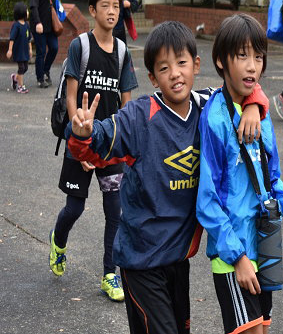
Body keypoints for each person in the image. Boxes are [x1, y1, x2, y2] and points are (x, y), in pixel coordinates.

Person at [65, 20, 269, 333]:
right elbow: (98, 144)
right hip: (141, 261)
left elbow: (245, 85)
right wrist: (83, 133)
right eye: (164, 67)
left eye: (181, 63)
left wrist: (254, 106)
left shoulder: (209, 108)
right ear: (152, 77)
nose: (175, 73)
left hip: (177, 259)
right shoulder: (140, 116)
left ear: (196, 65)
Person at [197, 14, 283, 334]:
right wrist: (237, 257)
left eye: (258, 57)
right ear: (221, 61)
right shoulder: (215, 118)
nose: (252, 66)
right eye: (242, 56)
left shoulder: (261, 114)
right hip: (233, 252)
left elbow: (271, 178)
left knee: (263, 328)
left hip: (264, 244)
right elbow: (207, 200)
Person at [48, 0, 139, 302]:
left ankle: (110, 274)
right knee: (74, 207)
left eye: (116, 6)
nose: (112, 11)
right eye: (105, 6)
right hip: (81, 139)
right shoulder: (81, 47)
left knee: (115, 212)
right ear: (92, 10)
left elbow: (127, 104)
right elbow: (72, 97)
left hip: (110, 145)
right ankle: (58, 241)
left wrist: (125, 143)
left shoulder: (123, 52)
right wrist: (81, 140)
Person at [28, 0, 60, 88]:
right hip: (40, 26)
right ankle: (40, 78)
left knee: (54, 48)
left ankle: (45, 70)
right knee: (41, 52)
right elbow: (33, 7)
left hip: (50, 25)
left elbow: (52, 2)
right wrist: (37, 23)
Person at [7, 2, 32, 94]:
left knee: (25, 68)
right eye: (27, 10)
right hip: (18, 51)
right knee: (21, 68)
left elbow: (29, 38)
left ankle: (15, 77)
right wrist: (10, 50)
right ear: (22, 12)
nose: (28, 12)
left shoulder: (27, 25)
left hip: (25, 50)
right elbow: (12, 39)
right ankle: (20, 86)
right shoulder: (16, 25)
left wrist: (30, 49)